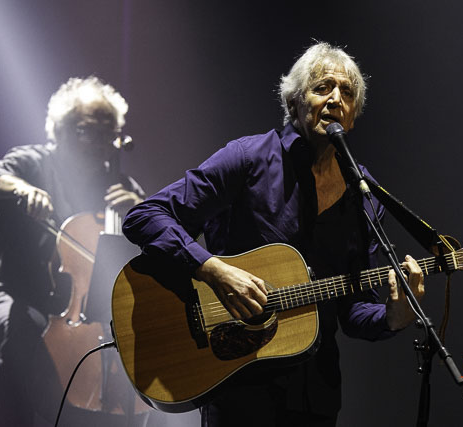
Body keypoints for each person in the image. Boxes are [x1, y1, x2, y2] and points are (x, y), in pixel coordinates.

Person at [122, 42, 425, 427]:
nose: (335, 99)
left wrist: (392, 317)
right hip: (236, 381)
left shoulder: (364, 193)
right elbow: (146, 216)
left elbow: (352, 307)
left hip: (316, 396)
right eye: (322, 88)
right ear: (295, 102)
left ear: (352, 116)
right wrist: (212, 269)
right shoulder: (249, 159)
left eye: (347, 93)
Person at [0, 76, 146, 427]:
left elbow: (152, 250)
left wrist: (142, 210)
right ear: (61, 132)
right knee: (24, 331)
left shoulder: (119, 188)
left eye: (109, 136)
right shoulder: (33, 163)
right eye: (86, 132)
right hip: (14, 298)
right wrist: (21, 190)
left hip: (86, 317)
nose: (100, 146)